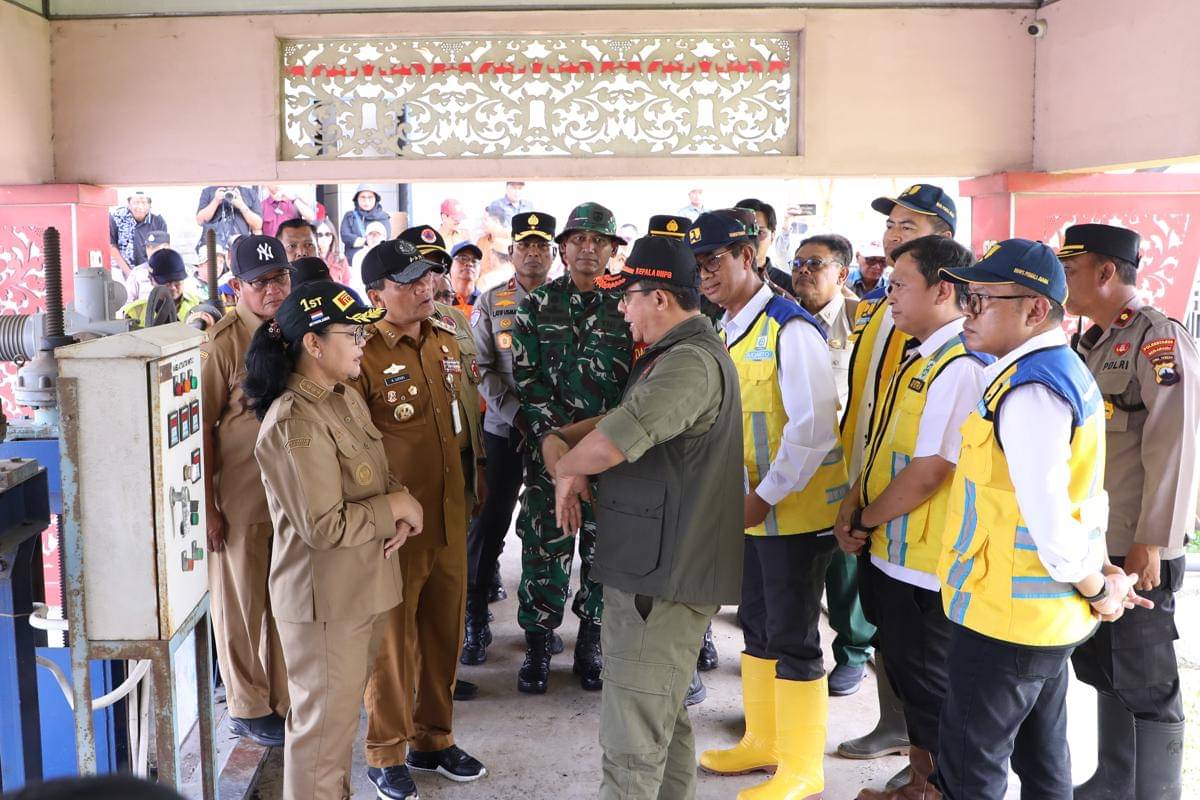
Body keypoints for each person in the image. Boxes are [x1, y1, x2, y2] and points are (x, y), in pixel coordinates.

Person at [932, 239, 1151, 800]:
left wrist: (1099, 586)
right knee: (1043, 760)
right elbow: (1084, 498)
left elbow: (1052, 519)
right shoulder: (1053, 370)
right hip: (1038, 620)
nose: (966, 311)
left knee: (971, 768)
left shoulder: (1032, 389)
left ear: (1034, 309)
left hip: (1007, 623)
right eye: (966, 297)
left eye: (980, 300)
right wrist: (1101, 572)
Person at [543, 235, 744, 799]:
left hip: (661, 581)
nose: (621, 308)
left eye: (627, 296)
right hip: (656, 569)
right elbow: (620, 419)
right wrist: (564, 447)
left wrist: (566, 466)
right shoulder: (675, 355)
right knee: (661, 723)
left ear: (659, 298)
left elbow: (611, 443)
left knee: (631, 745)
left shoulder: (689, 363)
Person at [690, 211, 847, 799]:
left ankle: (803, 768)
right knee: (756, 625)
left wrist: (764, 497)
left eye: (715, 260)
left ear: (748, 255)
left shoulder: (790, 327)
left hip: (792, 515)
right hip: (748, 511)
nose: (706, 273)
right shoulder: (726, 327)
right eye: (698, 264)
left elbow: (813, 429)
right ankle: (764, 741)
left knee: (794, 636)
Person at [244, 280, 419, 799]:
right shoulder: (294, 420)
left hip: (359, 590)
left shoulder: (343, 398)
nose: (364, 342)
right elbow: (323, 525)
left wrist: (399, 506)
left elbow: (374, 478)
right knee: (320, 738)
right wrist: (396, 508)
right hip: (325, 605)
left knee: (337, 730)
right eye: (352, 334)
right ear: (313, 344)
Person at [834, 236, 989, 800]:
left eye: (900, 284)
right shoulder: (919, 357)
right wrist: (854, 501)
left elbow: (930, 472)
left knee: (934, 692)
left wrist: (864, 518)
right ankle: (920, 785)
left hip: (927, 566)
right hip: (893, 553)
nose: (888, 294)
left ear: (943, 289)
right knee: (910, 683)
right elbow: (886, 446)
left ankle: (939, 788)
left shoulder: (960, 366)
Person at [1060, 223, 1197, 800]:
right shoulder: (1089, 341)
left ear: (1106, 272)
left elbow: (1175, 443)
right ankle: (1115, 780)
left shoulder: (1157, 338)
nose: (1063, 282)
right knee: (1105, 667)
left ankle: (1155, 792)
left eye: (1070, 271)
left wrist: (1153, 540)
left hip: (1136, 542)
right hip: (1098, 538)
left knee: (1146, 678)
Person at [353, 238, 487, 799]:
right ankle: (386, 751)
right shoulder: (360, 352)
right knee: (392, 642)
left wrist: (477, 475)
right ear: (376, 295)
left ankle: (434, 738)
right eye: (407, 281)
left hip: (450, 511)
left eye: (426, 277)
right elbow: (350, 446)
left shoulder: (447, 336)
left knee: (443, 632)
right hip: (394, 529)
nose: (424, 287)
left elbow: (464, 419)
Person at [511, 202, 632, 694]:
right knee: (545, 548)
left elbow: (636, 386)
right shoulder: (536, 305)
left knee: (605, 553)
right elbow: (527, 382)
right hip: (551, 456)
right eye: (579, 239)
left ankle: (591, 644)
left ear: (612, 250)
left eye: (599, 241)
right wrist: (560, 455)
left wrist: (593, 450)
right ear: (562, 248)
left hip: (612, 455)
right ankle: (539, 646)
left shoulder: (628, 305)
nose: (588, 248)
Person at [199, 234, 293, 749]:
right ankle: (246, 704)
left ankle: (279, 699)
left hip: (291, 494)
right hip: (240, 494)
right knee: (239, 603)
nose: (273, 289)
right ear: (238, 288)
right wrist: (209, 509)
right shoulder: (223, 343)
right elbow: (200, 429)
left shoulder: (294, 331)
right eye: (260, 283)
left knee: (283, 600)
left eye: (279, 277)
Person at [462, 212, 556, 666]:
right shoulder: (491, 301)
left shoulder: (567, 300)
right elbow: (480, 367)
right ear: (512, 252)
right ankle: (475, 616)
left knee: (550, 527)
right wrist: (517, 415)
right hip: (505, 430)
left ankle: (541, 624)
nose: (533, 254)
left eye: (541, 246)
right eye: (525, 246)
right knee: (490, 523)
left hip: (558, 434)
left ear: (552, 253)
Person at [790, 232, 877, 700]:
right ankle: (797, 658)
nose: (803, 270)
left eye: (815, 263)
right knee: (796, 572)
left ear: (842, 273)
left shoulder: (863, 321)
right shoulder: (782, 319)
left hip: (843, 468)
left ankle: (854, 653)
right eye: (798, 262)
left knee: (845, 570)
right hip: (794, 466)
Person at [119, 248, 205, 329]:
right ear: (151, 280)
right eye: (166, 283)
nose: (172, 288)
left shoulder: (199, 306)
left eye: (177, 282)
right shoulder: (133, 313)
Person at [737, 198, 794, 297]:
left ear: (772, 236)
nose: (750, 240)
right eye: (743, 231)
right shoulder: (716, 284)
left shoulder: (789, 286)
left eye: (759, 232)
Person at [109, 191, 168, 281]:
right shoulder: (116, 217)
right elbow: (111, 245)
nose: (140, 206)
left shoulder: (157, 220)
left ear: (149, 205)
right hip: (121, 269)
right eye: (136, 202)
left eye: (144, 202)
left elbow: (162, 248)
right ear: (129, 204)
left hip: (148, 270)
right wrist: (128, 272)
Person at [195, 185, 263, 251]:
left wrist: (241, 205)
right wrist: (215, 201)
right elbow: (200, 221)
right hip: (214, 248)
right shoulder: (208, 191)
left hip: (240, 247)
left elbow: (258, 225)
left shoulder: (250, 193)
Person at [341, 184, 392, 265]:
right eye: (363, 197)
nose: (366, 201)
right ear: (357, 199)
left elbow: (383, 239)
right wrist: (368, 240)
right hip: (353, 262)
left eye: (370, 197)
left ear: (376, 199)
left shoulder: (383, 217)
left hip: (376, 262)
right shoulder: (350, 216)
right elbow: (346, 237)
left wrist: (360, 241)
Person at [123, 229, 173, 302]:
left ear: (167, 248)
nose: (150, 251)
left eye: (154, 247)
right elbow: (126, 302)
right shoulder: (138, 273)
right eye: (148, 247)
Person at [316, 217, 352, 286]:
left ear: (332, 236)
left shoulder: (341, 258)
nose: (324, 238)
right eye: (320, 235)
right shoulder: (311, 258)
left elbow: (346, 282)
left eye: (327, 234)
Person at [449, 241, 483, 312]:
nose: (470, 264)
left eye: (474, 261)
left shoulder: (485, 302)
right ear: (450, 265)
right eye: (463, 258)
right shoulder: (440, 299)